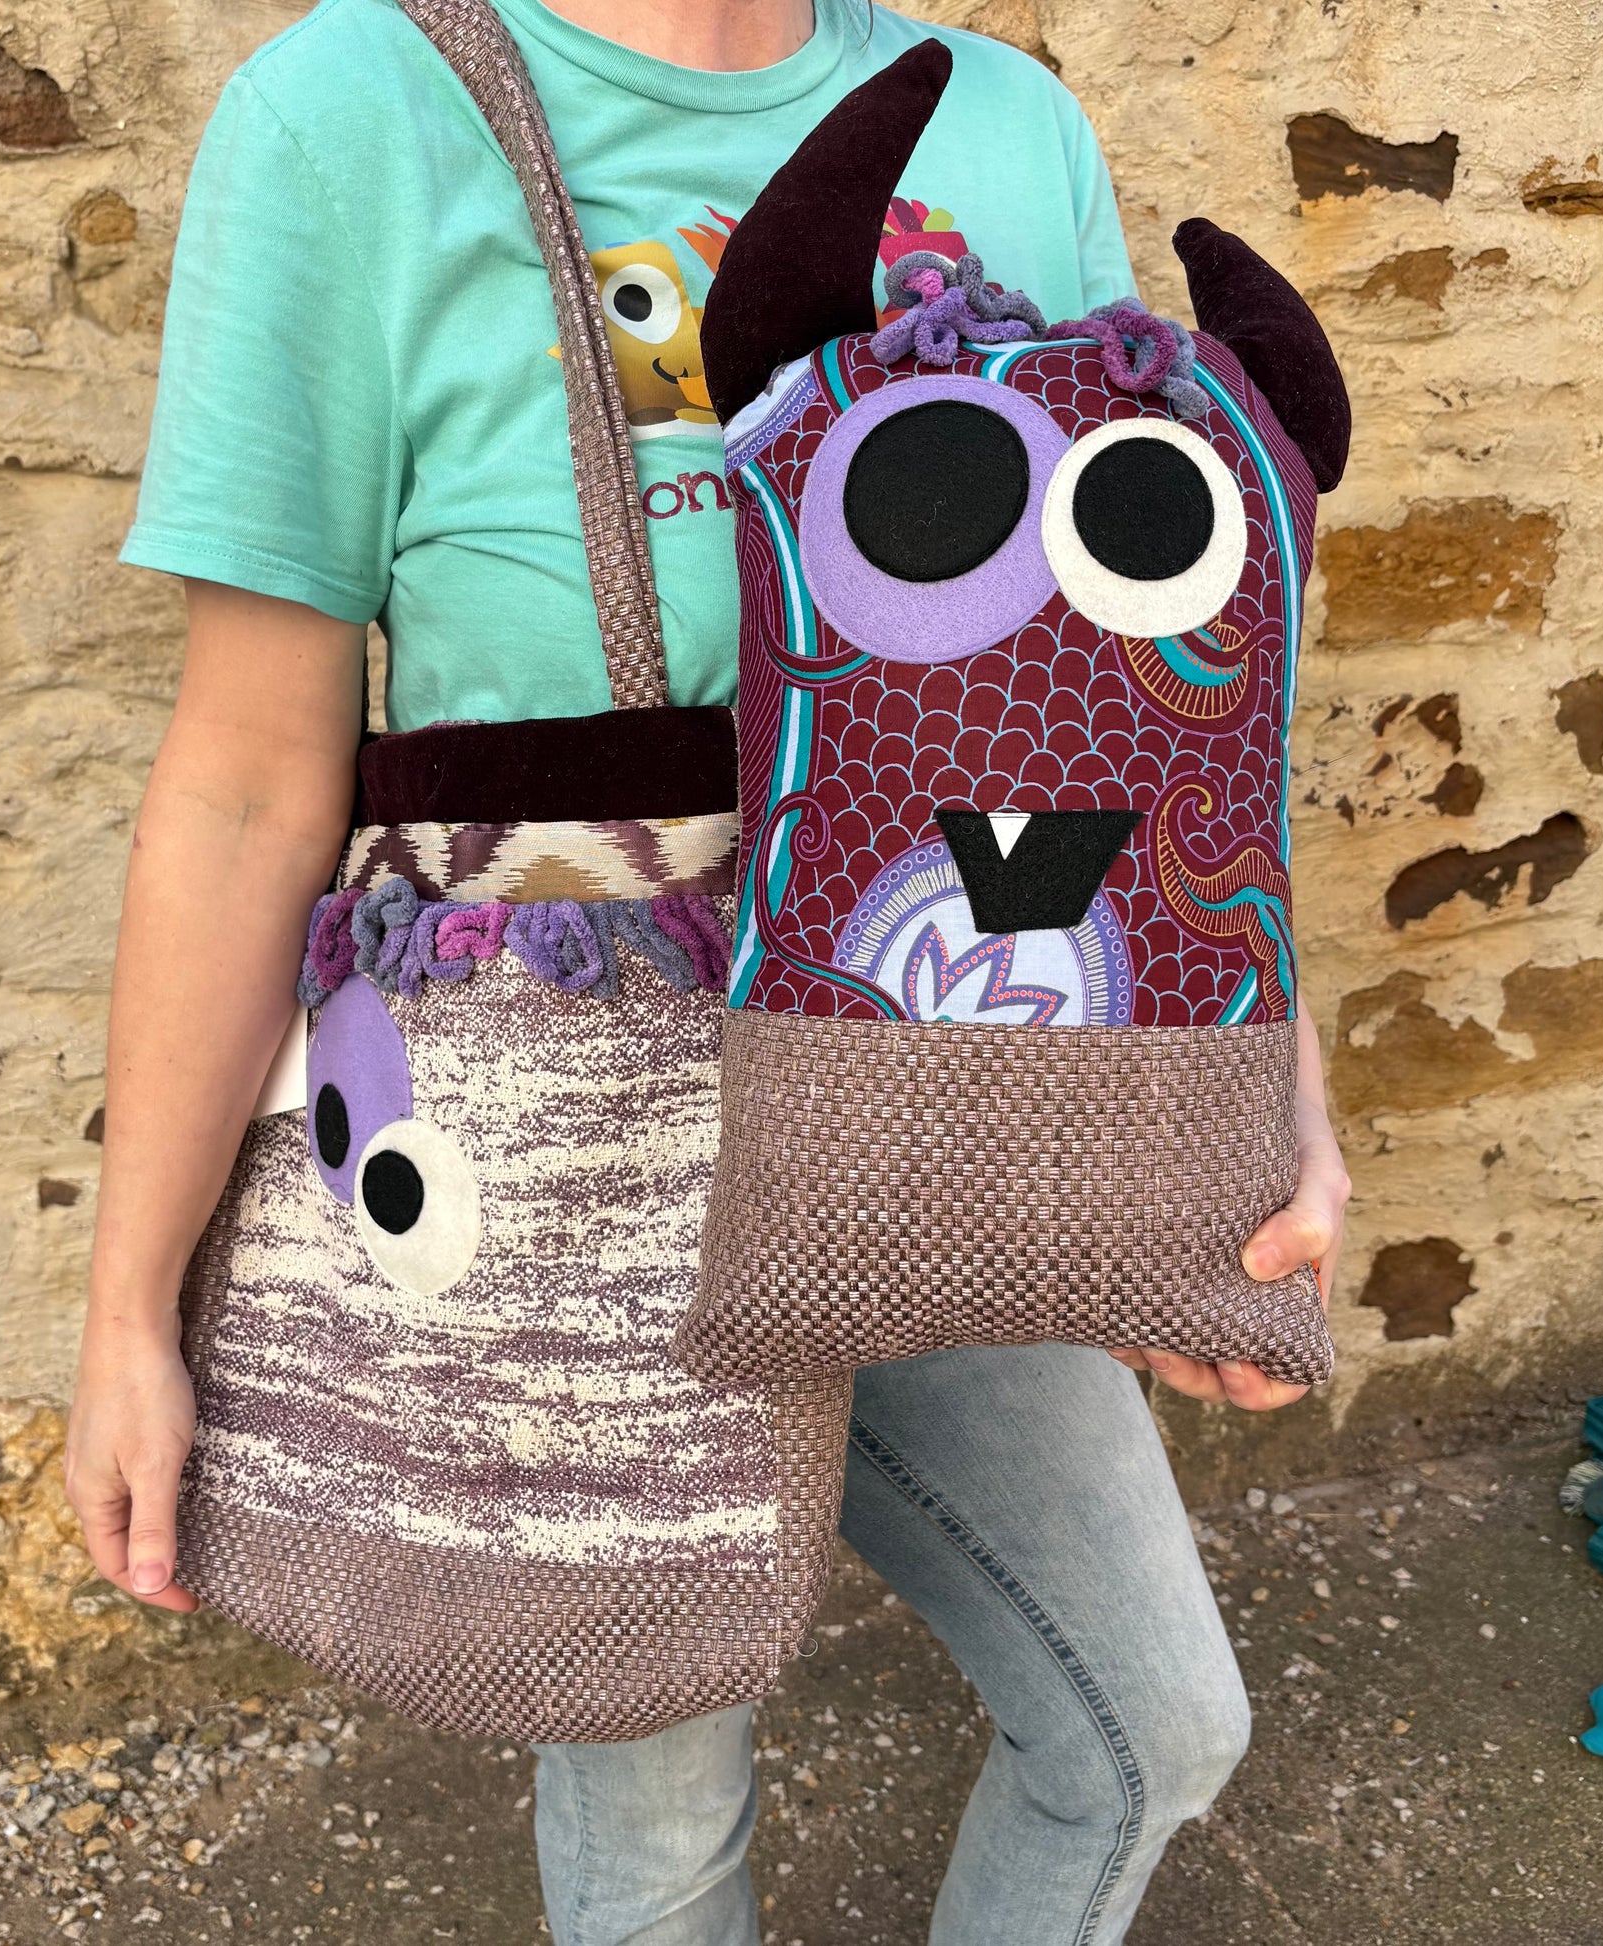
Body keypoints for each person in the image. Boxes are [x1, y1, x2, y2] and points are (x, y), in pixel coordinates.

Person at [65, 2, 1352, 1940]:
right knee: (655, 1804)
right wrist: (129, 1308)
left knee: (1147, 1727)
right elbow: (249, 780)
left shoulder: (1005, 126)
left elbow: (1146, 721)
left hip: (943, 1076)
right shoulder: (352, 115)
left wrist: (1253, 1123)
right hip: (579, 1130)